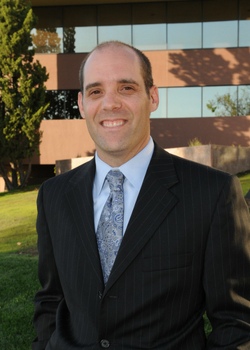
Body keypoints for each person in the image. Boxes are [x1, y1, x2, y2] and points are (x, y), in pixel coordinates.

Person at [32, 41, 250, 350]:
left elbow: (237, 324)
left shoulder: (212, 194)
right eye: (96, 91)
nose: (110, 104)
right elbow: (50, 299)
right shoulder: (53, 195)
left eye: (126, 88)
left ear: (153, 96)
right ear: (81, 104)